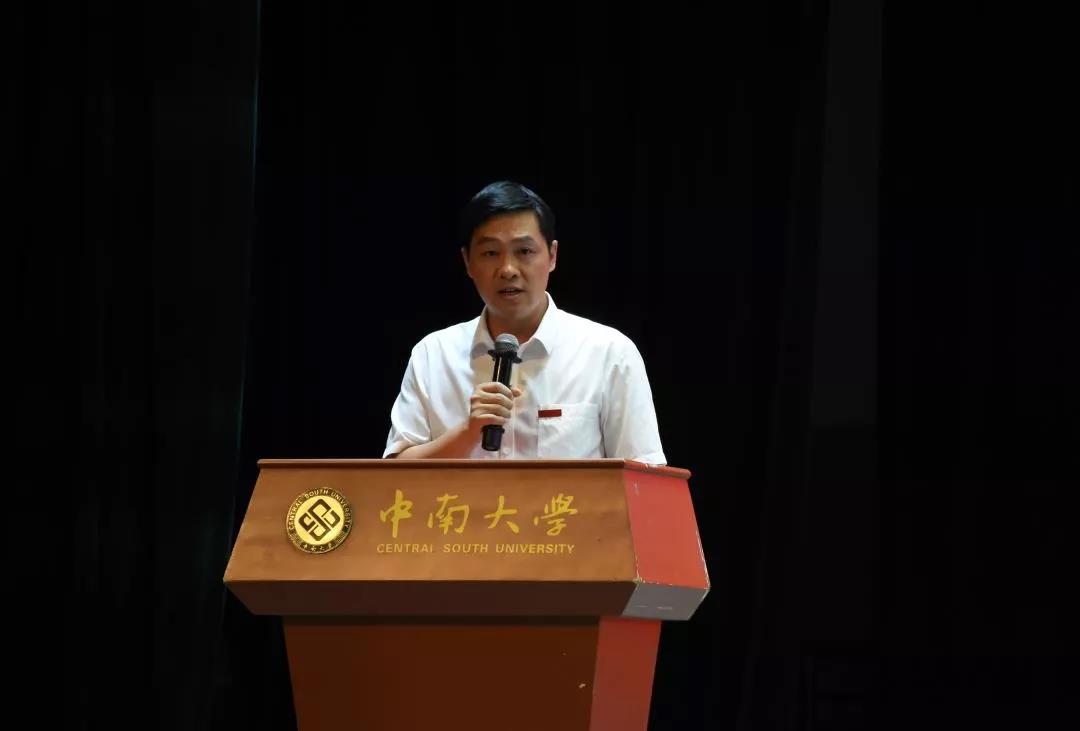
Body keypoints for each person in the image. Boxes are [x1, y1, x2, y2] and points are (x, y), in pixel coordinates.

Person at [384, 180, 666, 463]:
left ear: (552, 256)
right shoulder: (433, 355)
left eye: (524, 251)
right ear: (468, 262)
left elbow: (644, 475)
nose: (508, 270)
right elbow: (396, 473)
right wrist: (468, 432)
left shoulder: (609, 353)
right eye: (490, 253)